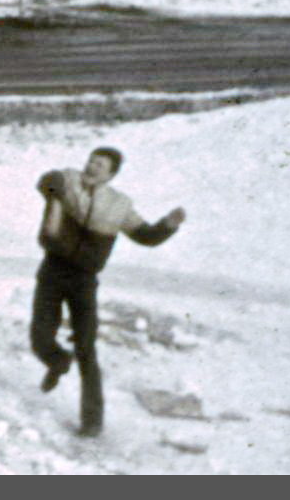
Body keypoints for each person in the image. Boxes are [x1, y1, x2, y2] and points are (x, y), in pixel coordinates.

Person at [31, 147, 185, 438]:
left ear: (111, 175)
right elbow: (45, 181)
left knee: (87, 351)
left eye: (99, 165)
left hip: (84, 282)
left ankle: (92, 421)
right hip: (52, 272)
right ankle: (57, 361)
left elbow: (145, 236)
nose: (91, 167)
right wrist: (54, 191)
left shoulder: (119, 206)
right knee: (39, 337)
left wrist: (167, 225)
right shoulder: (68, 181)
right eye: (90, 160)